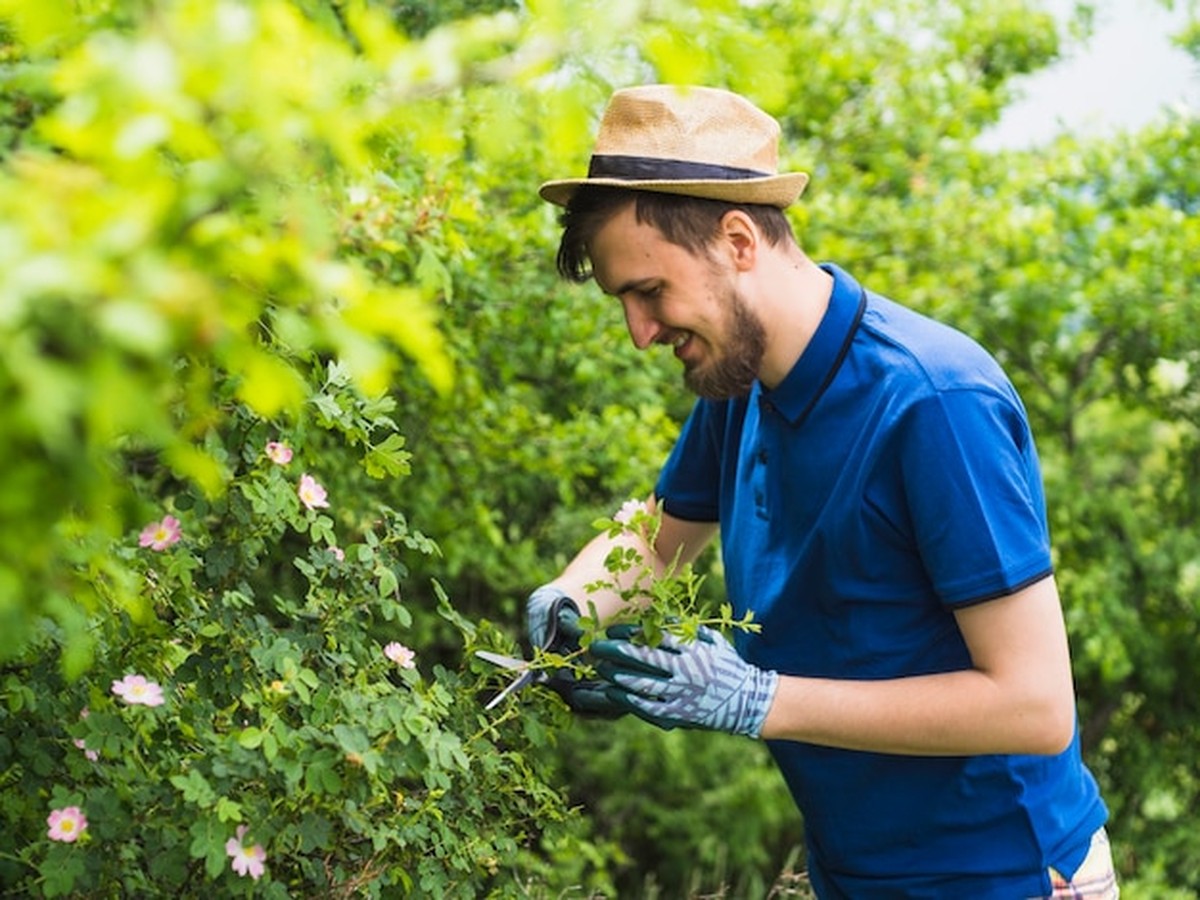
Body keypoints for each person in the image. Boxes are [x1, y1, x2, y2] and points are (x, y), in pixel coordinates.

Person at [524, 84, 1117, 898]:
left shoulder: (933, 402)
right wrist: (570, 602)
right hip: (855, 872)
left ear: (738, 240)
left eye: (649, 292)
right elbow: (655, 544)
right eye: (623, 300)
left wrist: (758, 699)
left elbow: (1035, 706)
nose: (639, 332)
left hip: (1002, 873)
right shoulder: (740, 384)